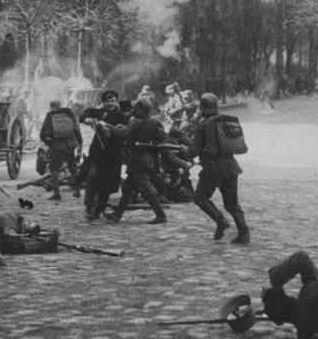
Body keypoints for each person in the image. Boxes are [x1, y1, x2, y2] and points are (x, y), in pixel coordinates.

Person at [182, 92, 249, 244]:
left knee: (200, 198)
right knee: (232, 203)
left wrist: (183, 149)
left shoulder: (203, 125)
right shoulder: (224, 122)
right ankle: (244, 233)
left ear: (202, 108)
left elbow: (193, 151)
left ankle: (221, 221)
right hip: (231, 167)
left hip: (213, 167)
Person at [102, 97, 168, 225]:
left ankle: (161, 215)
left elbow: (123, 133)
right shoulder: (150, 122)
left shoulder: (136, 122)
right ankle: (117, 215)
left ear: (138, 109)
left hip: (137, 160)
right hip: (144, 158)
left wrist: (107, 125)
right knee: (127, 188)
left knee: (147, 189)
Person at [79, 90, 129, 221]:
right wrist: (87, 120)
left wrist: (108, 131)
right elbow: (85, 113)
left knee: (106, 185)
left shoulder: (122, 116)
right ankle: (89, 206)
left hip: (113, 153)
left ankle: (98, 210)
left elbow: (122, 134)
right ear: (103, 103)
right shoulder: (100, 113)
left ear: (117, 102)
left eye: (112, 101)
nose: (110, 103)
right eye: (107, 101)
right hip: (97, 153)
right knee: (92, 177)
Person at [39, 99, 83, 200]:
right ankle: (77, 191)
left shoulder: (50, 115)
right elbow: (77, 129)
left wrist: (50, 144)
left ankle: (57, 193)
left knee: (54, 168)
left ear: (52, 106)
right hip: (71, 144)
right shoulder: (69, 112)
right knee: (73, 166)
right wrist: (79, 142)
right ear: (60, 105)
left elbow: (42, 133)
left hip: (57, 145)